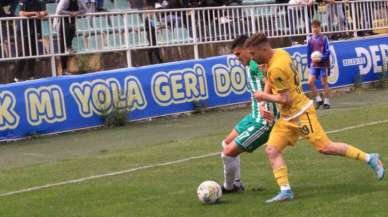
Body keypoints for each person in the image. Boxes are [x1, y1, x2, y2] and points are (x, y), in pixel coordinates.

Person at [244, 32, 384, 203]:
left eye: (252, 54)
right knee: (272, 150)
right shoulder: (279, 54)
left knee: (325, 147)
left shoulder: (276, 68)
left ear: (263, 49)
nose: (251, 58)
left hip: (301, 113)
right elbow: (269, 79)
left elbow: (285, 98)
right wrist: (263, 102)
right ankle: (285, 190)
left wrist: (262, 97)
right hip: (286, 117)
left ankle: (370, 158)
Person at [220, 35, 277, 193]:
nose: (237, 59)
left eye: (238, 54)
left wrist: (265, 105)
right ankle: (236, 183)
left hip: (263, 121)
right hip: (254, 116)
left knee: (227, 153)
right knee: (226, 144)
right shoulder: (250, 65)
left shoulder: (254, 65)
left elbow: (269, 81)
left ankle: (229, 187)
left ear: (247, 50)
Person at [15, 0, 48, 82]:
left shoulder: (38, 2)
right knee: (24, 52)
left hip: (34, 30)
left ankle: (31, 75)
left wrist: (42, 13)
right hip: (23, 30)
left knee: (33, 52)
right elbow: (21, 13)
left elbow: (45, 12)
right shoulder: (23, 1)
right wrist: (34, 13)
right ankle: (17, 75)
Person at [54, 0, 87, 75]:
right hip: (61, 22)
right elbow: (59, 11)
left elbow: (85, 10)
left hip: (71, 23)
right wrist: (70, 13)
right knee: (63, 46)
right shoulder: (65, 1)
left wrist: (76, 13)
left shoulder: (79, 1)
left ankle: (69, 47)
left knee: (69, 42)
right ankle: (64, 69)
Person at [307, 20, 331, 109]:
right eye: (313, 27)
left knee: (323, 82)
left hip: (323, 64)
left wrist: (321, 58)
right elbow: (309, 53)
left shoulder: (324, 38)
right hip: (314, 64)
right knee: (310, 82)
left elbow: (328, 51)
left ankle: (327, 102)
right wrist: (310, 64)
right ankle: (318, 100)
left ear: (320, 28)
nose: (315, 29)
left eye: (316, 27)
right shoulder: (310, 40)